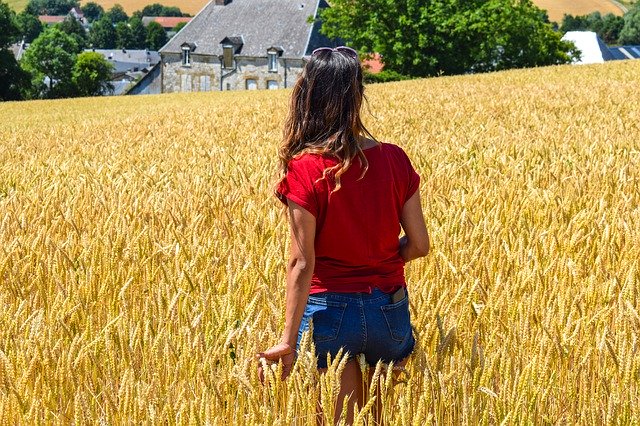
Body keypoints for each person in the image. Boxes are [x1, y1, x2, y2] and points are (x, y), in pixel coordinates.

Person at [257, 46, 430, 424]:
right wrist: (384, 257)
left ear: (309, 97)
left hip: (329, 312)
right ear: (357, 97)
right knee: (377, 418)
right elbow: (420, 245)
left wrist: (287, 340)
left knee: (339, 421)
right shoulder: (396, 159)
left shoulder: (305, 168)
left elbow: (302, 262)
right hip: (389, 309)